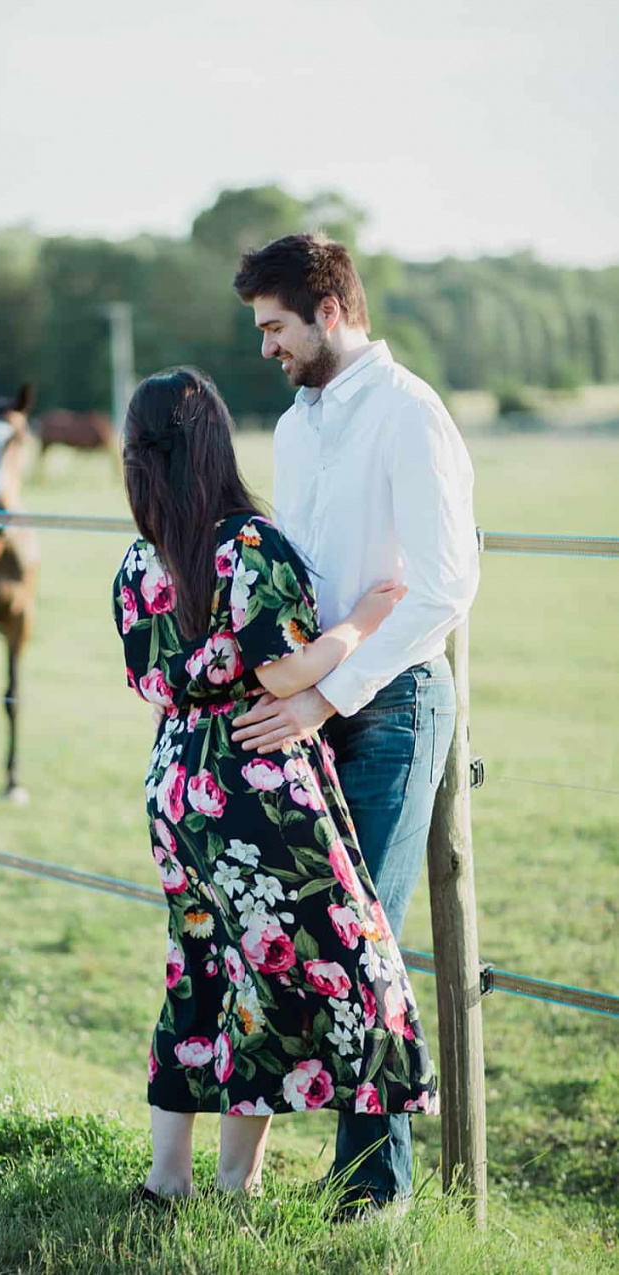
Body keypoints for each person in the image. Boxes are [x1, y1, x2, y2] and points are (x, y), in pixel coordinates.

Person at [112, 366, 440, 1207]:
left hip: (174, 781)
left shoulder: (139, 560)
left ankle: (167, 1179)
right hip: (252, 782)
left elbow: (150, 677)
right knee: (301, 972)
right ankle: (237, 1183)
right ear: (213, 445)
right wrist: (365, 619)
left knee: (199, 967)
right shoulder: (247, 545)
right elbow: (284, 670)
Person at [231, 234, 480, 1208]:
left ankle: (374, 1193)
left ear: (329, 311)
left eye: (275, 326)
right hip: (311, 699)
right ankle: (329, 1177)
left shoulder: (410, 413)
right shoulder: (297, 426)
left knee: (363, 933)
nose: (266, 347)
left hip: (392, 704)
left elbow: (444, 587)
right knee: (314, 932)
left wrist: (324, 696)